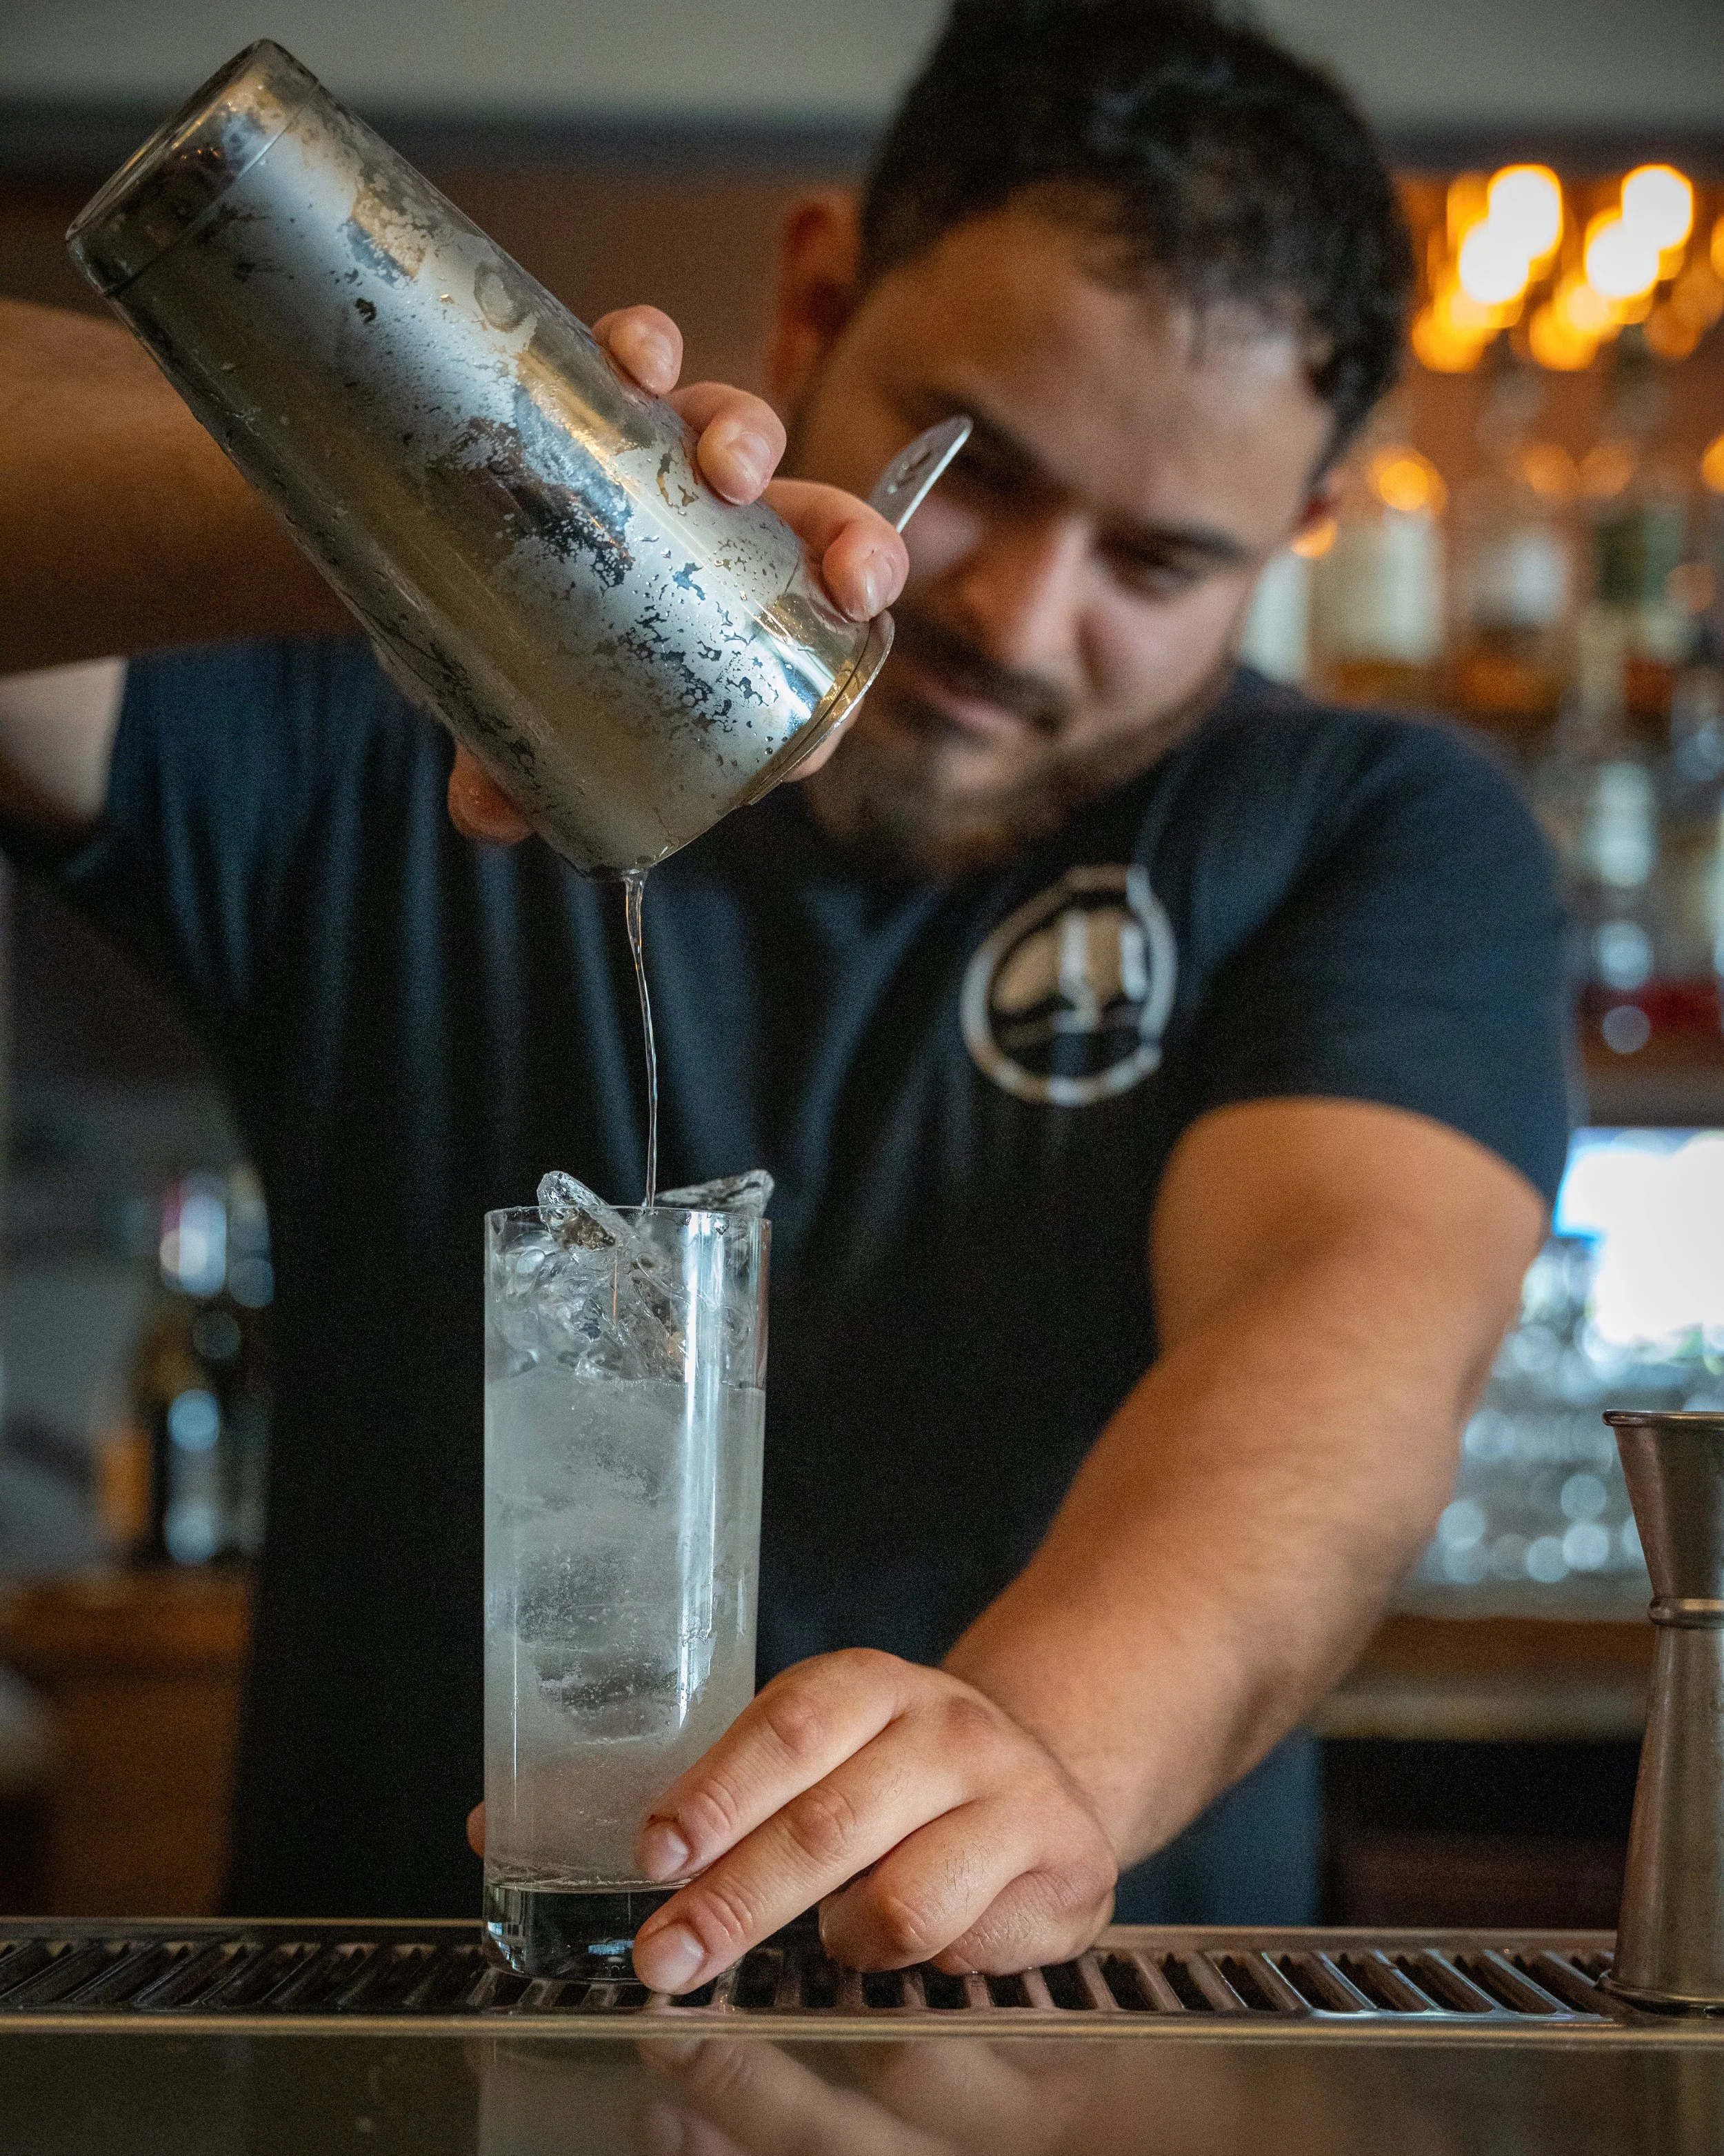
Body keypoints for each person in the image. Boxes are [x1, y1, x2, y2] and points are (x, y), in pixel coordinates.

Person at [0, 0, 1565, 1993]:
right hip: (402, 2029)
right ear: (818, 293)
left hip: (1058, 2066)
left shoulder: (1358, 829)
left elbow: (1337, 1348)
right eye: (978, 468)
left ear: (1306, 531)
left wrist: (1044, 1749)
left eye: (1160, 561)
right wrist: (458, 509)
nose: (1019, 611)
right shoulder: (367, 727)